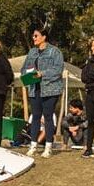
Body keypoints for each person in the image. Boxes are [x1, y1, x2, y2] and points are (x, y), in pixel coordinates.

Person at [21, 27, 65, 159]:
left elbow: (58, 70)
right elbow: (24, 69)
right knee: (35, 117)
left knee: (47, 117)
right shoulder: (32, 52)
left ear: (44, 37)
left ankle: (48, 147)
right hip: (35, 89)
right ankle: (33, 146)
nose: (33, 38)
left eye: (36, 36)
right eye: (33, 36)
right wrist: (27, 75)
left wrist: (43, 73)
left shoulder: (54, 52)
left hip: (50, 89)